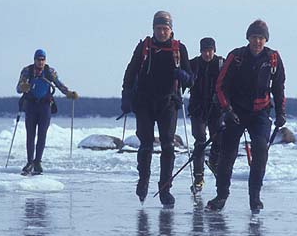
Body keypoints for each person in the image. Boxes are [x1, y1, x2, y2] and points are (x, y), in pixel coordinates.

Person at [206, 20, 286, 211]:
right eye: (254, 37)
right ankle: (221, 195)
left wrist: (281, 112)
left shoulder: (273, 58)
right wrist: (227, 110)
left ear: (265, 40)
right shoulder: (236, 57)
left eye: (261, 38)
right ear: (248, 38)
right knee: (228, 154)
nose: (257, 41)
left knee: (260, 150)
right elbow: (220, 86)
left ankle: (255, 197)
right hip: (236, 112)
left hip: (260, 112)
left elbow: (279, 87)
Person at [121, 11, 193, 207]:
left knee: (168, 146)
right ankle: (143, 180)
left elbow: (191, 78)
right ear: (153, 29)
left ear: (171, 30)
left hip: (168, 103)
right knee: (146, 145)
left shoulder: (179, 49)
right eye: (158, 29)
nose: (162, 32)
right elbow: (130, 71)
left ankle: (164, 188)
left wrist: (185, 77)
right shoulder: (145, 47)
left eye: (165, 29)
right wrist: (126, 96)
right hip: (144, 102)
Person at [17, 49, 78, 175]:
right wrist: (23, 87)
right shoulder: (27, 71)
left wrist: (68, 93)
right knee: (30, 134)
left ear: (45, 60)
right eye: (38, 59)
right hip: (31, 105)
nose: (40, 62)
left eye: (42, 59)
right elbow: (18, 87)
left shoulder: (49, 72)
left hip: (45, 106)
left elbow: (59, 84)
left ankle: (38, 161)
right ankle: (29, 162)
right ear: (34, 60)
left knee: (42, 134)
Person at [188, 37, 224, 193]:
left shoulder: (221, 64)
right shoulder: (194, 64)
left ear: (214, 50)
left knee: (219, 138)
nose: (207, 54)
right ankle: (198, 177)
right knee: (200, 140)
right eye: (204, 51)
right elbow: (182, 79)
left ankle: (214, 161)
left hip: (216, 109)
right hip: (198, 109)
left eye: (210, 50)